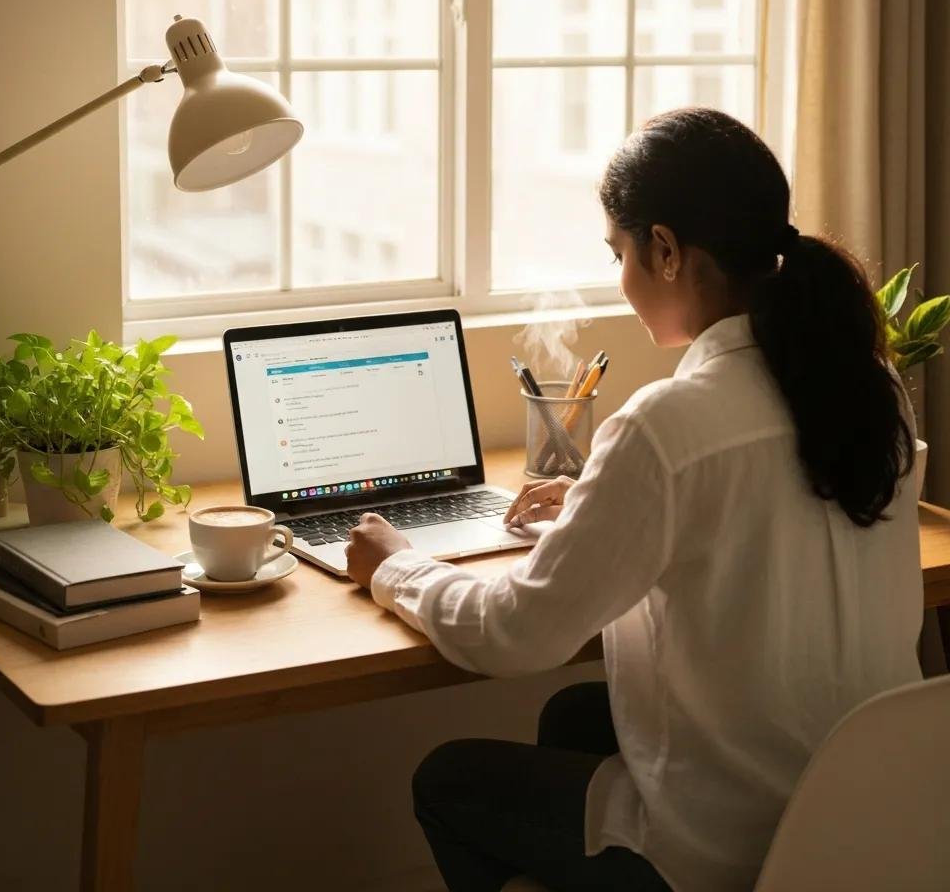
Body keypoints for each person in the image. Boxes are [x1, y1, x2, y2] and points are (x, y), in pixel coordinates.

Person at [344, 108, 923, 892]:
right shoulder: (866, 386)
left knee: (449, 779)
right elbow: (758, 497)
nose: (621, 276)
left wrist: (396, 569)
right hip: (860, 823)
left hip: (731, 854)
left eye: (619, 252)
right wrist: (601, 496)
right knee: (577, 718)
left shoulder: (666, 425)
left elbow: (515, 636)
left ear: (666, 251)